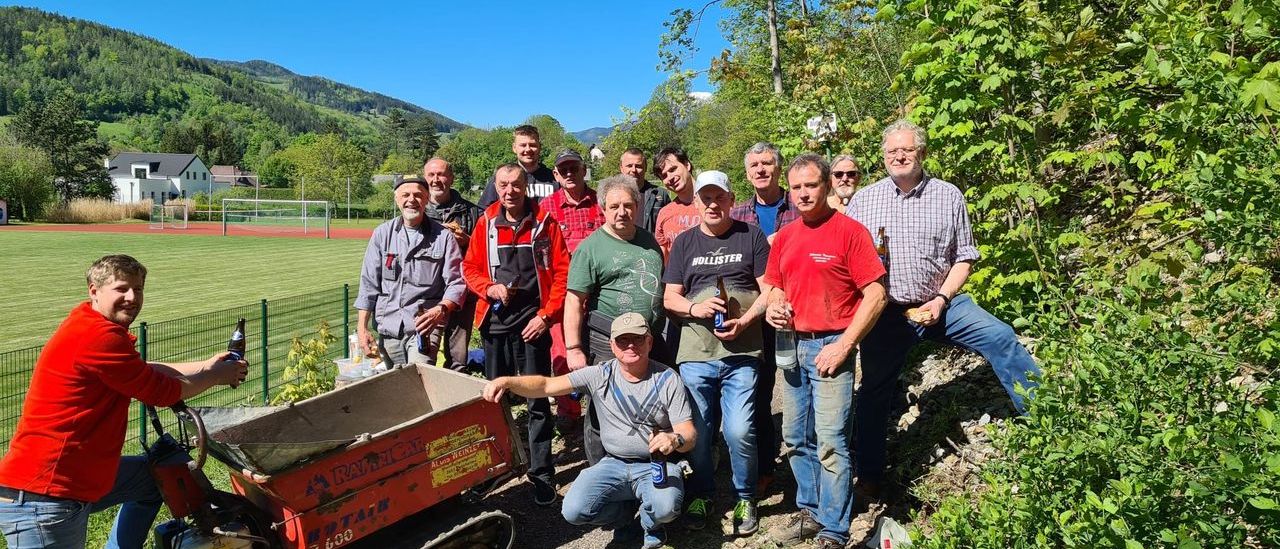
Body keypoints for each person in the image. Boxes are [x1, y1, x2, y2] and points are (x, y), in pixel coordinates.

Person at [847, 119, 1041, 499]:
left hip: (942, 302)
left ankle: (1047, 418)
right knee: (873, 390)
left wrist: (942, 298)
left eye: (907, 150)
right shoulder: (864, 201)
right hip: (887, 314)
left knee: (1000, 336)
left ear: (922, 153)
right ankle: (869, 472)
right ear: (883, 156)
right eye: (891, 151)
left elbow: (965, 258)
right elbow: (847, 258)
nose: (898, 156)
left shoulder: (947, 195)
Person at [0, 255, 248, 549]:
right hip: (46, 495)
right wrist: (217, 376)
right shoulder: (97, 336)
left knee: (153, 479)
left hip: (77, 475)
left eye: (139, 289)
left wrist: (206, 366)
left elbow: (141, 370)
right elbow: (162, 391)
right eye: (121, 289)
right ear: (94, 290)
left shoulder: (87, 322)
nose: (132, 297)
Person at [482, 313, 695, 549]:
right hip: (614, 463)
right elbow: (546, 385)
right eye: (623, 340)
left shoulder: (668, 379)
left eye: (638, 338)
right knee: (574, 510)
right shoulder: (599, 374)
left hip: (656, 464)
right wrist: (507, 382)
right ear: (612, 345)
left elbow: (689, 434)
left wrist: (674, 439)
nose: (631, 345)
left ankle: (650, 523)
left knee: (666, 508)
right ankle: (625, 518)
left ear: (650, 342)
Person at [764, 154, 887, 549]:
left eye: (811, 185)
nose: (803, 193)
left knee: (832, 439)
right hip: (793, 345)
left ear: (828, 187)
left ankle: (835, 529)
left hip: (833, 343)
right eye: (796, 186)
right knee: (796, 435)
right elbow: (775, 284)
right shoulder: (785, 235)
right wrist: (775, 305)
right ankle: (812, 511)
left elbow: (876, 294)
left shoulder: (849, 232)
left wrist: (845, 344)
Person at [662, 170, 772, 536]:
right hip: (695, 353)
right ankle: (704, 493)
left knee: (740, 430)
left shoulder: (751, 236)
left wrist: (746, 320)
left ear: (730, 199)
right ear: (697, 201)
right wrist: (695, 309)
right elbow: (669, 297)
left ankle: (745, 497)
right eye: (705, 197)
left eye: (719, 197)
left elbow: (770, 290)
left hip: (742, 351)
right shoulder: (684, 243)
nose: (712, 203)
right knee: (700, 430)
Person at [462, 163, 570, 506]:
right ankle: (495, 470)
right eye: (503, 185)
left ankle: (542, 473)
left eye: (516, 185)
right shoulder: (486, 223)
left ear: (526, 187)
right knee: (495, 399)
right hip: (495, 323)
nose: (510, 191)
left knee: (538, 400)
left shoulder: (545, 223)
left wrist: (546, 316)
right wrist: (489, 288)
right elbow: (470, 268)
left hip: (532, 321)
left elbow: (563, 273)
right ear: (496, 186)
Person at [563, 175, 668, 466]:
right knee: (604, 405)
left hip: (649, 337)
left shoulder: (647, 240)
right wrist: (573, 348)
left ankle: (644, 463)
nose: (621, 212)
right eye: (614, 206)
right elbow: (573, 300)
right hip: (607, 337)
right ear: (603, 209)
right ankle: (601, 468)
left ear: (637, 206)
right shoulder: (591, 248)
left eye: (628, 205)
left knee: (648, 401)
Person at [729, 141, 797, 493]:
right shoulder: (738, 215)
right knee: (759, 393)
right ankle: (765, 467)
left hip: (798, 315)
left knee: (803, 389)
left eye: (767, 163)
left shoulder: (800, 206)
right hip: (756, 317)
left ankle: (809, 466)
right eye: (754, 164)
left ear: (778, 167)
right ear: (747, 172)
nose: (760, 169)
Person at [356, 175, 467, 369]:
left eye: (418, 195)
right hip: (388, 327)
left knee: (417, 380)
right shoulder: (382, 234)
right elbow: (369, 284)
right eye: (405, 194)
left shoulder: (443, 237)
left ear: (427, 199)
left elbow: (457, 283)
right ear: (396, 199)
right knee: (395, 386)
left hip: (423, 329)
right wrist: (362, 328)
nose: (411, 200)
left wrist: (440, 310)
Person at [538, 149, 604, 427]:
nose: (568, 173)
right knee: (562, 355)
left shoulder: (601, 202)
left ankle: (602, 410)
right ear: (555, 174)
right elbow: (540, 253)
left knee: (600, 353)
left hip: (600, 293)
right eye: (562, 169)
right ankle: (568, 409)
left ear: (583, 169)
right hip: (562, 295)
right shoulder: (546, 207)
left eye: (573, 168)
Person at [423, 158, 483, 372]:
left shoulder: (474, 212)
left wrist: (466, 240)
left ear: (451, 178)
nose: (436, 180)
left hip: (462, 290)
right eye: (431, 175)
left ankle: (455, 399)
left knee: (458, 357)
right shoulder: (416, 211)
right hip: (427, 290)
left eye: (441, 174)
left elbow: (485, 251)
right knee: (425, 354)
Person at [477, 125, 560, 208]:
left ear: (540, 147)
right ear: (514, 148)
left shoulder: (554, 179)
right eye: (523, 145)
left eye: (532, 145)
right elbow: (483, 210)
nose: (528, 149)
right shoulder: (502, 177)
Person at [651, 147, 701, 259]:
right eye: (664, 176)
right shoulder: (665, 213)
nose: (670, 178)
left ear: (687, 165)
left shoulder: (716, 203)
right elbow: (664, 256)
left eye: (673, 169)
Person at [619, 148, 671, 233]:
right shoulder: (612, 195)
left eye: (638, 166)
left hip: (651, 245)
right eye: (629, 166)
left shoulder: (660, 194)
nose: (633, 170)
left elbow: (669, 226)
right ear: (621, 168)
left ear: (645, 168)